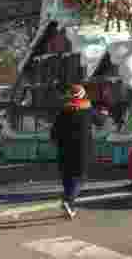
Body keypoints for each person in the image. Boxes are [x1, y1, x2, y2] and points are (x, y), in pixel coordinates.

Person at [50, 84, 106, 219]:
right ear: (83, 95)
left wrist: (56, 142)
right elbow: (100, 121)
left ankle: (68, 203)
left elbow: (54, 132)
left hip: (64, 148)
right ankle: (68, 201)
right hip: (82, 148)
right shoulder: (88, 109)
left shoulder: (63, 110)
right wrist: (104, 113)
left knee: (67, 176)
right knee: (79, 177)